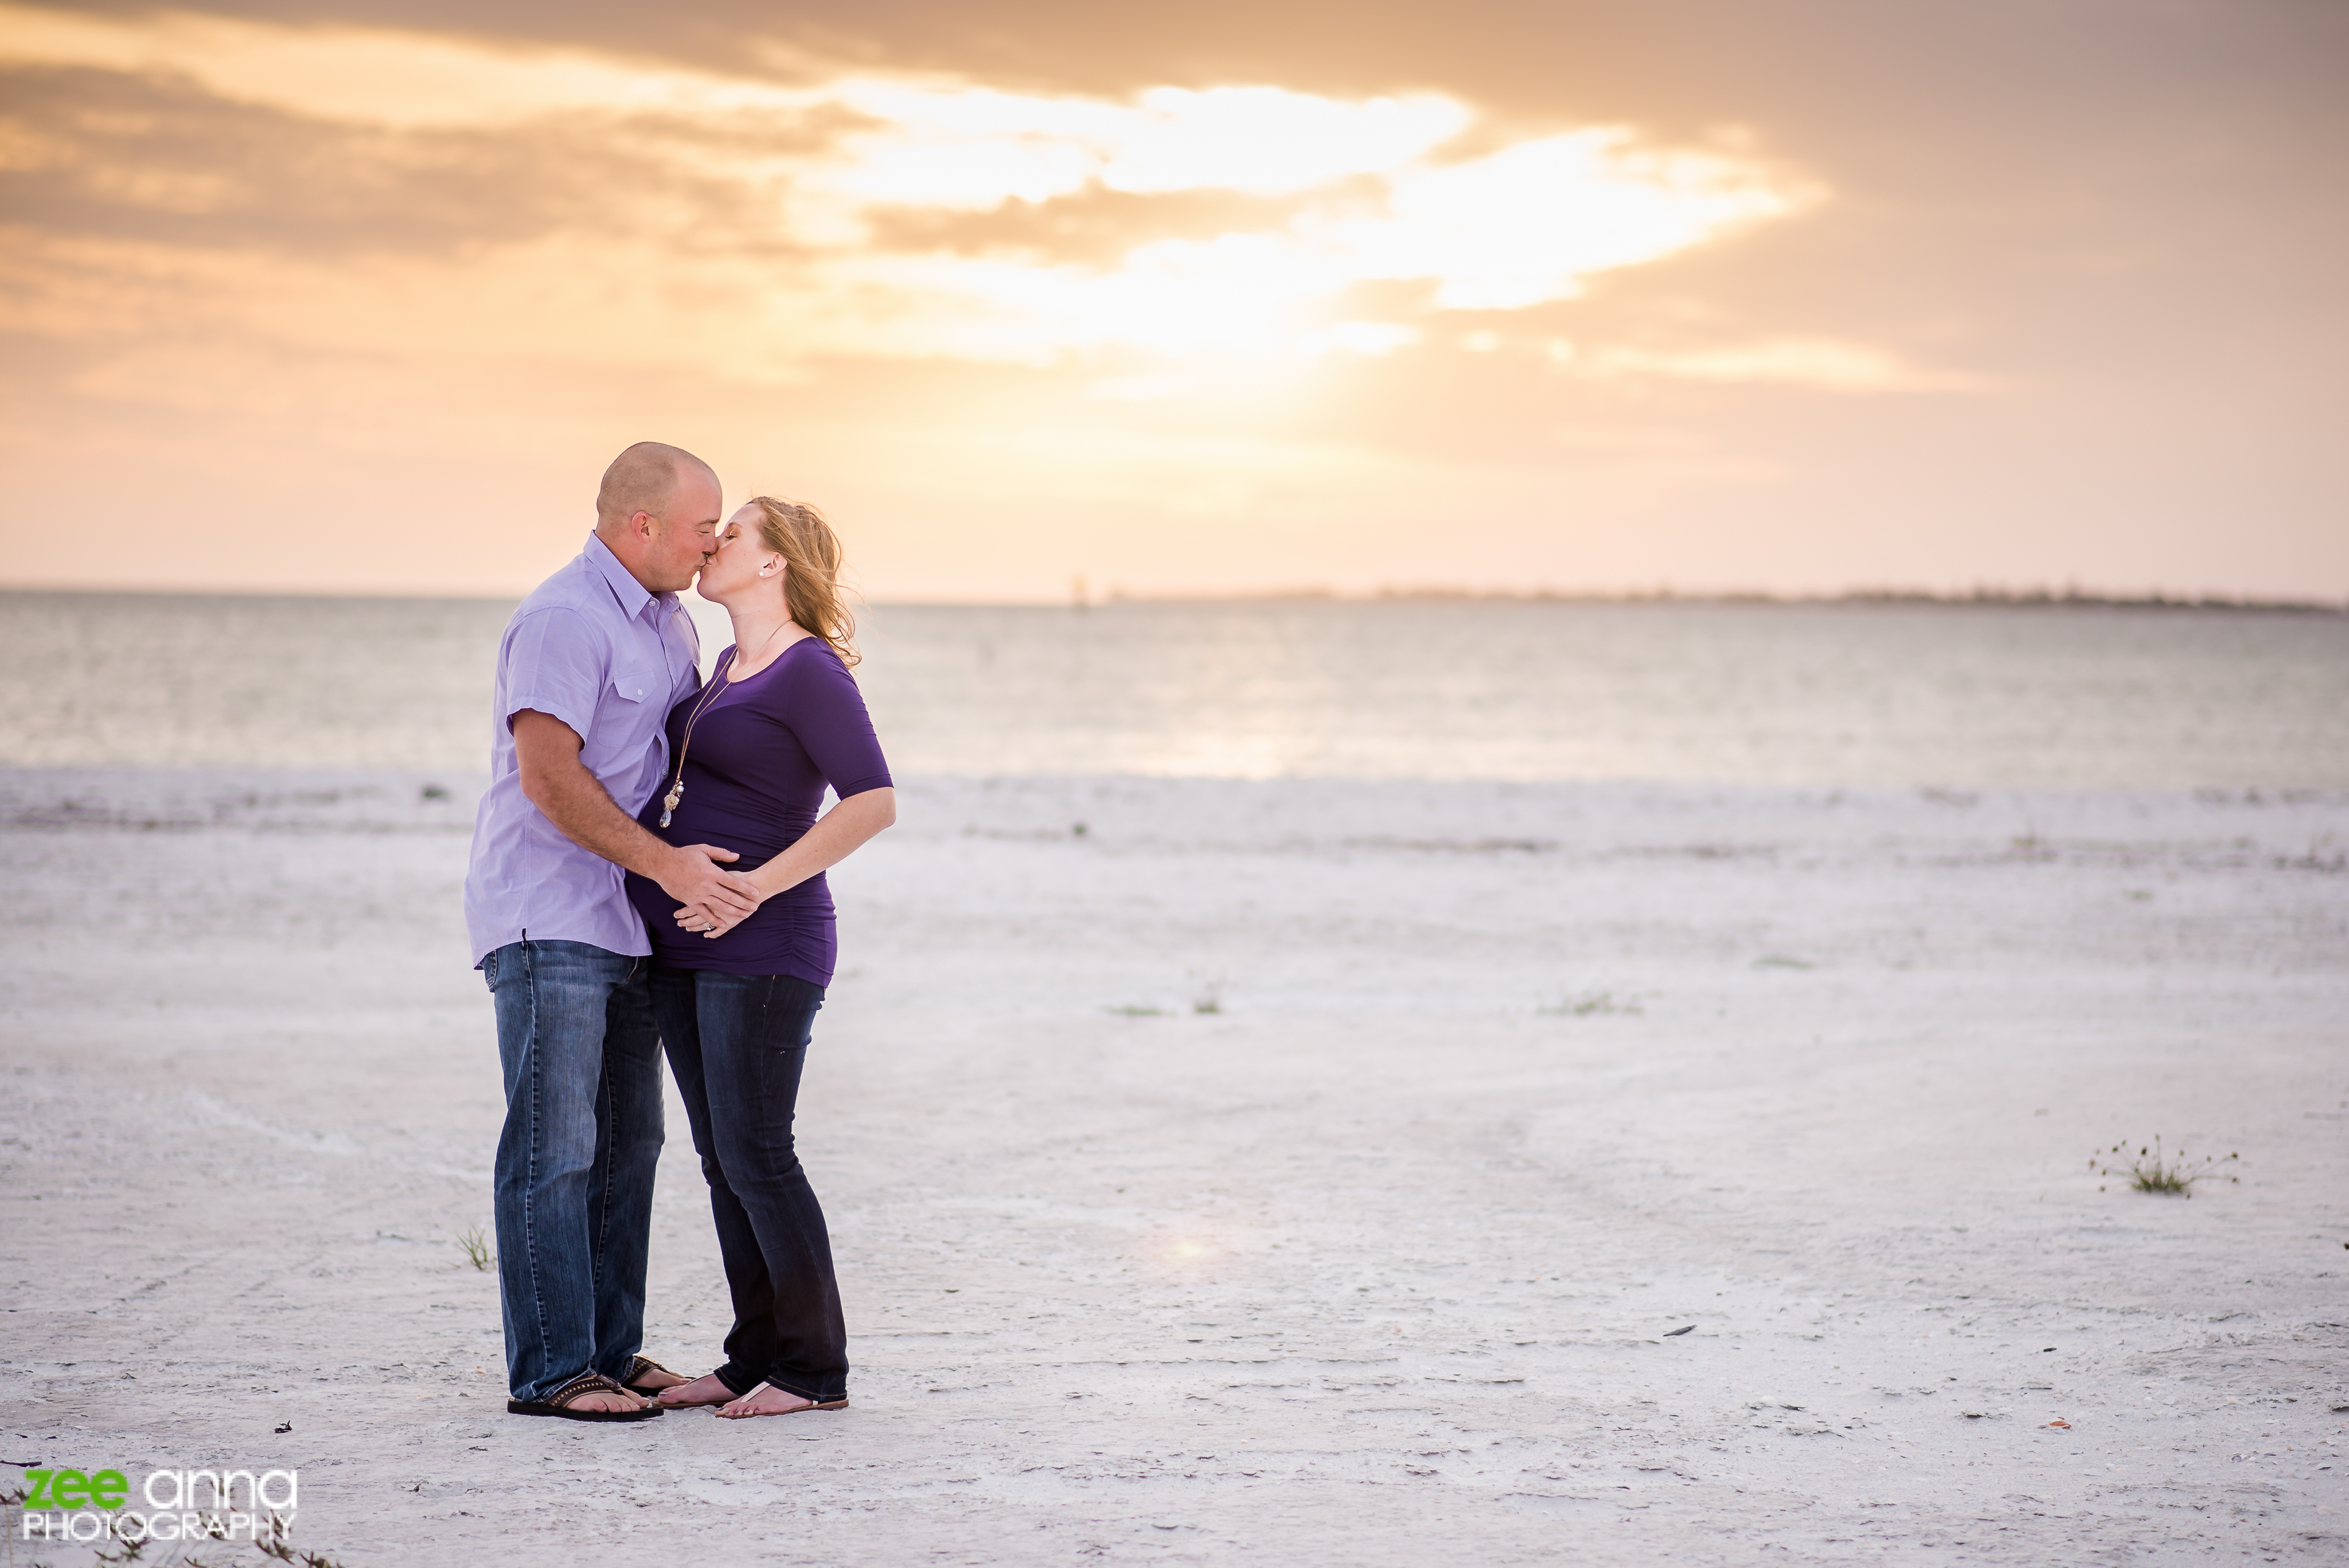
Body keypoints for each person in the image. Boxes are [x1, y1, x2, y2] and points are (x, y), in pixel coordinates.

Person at [463, 442, 759, 1421]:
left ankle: (608, 1350)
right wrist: (669, 865)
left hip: (627, 918)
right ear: (641, 526)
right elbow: (549, 777)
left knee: (632, 1143)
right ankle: (551, 1370)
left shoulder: (669, 623)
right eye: (699, 525)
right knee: (556, 1147)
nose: (712, 540)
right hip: (548, 912)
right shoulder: (564, 617)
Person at [626, 495, 896, 1419]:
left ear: (776, 563)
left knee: (759, 1152)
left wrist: (760, 885)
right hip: (686, 947)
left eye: (732, 533)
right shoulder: (727, 667)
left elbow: (871, 802)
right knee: (721, 1156)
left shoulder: (809, 669)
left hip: (769, 946)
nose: (713, 542)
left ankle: (815, 1368)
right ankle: (753, 1358)